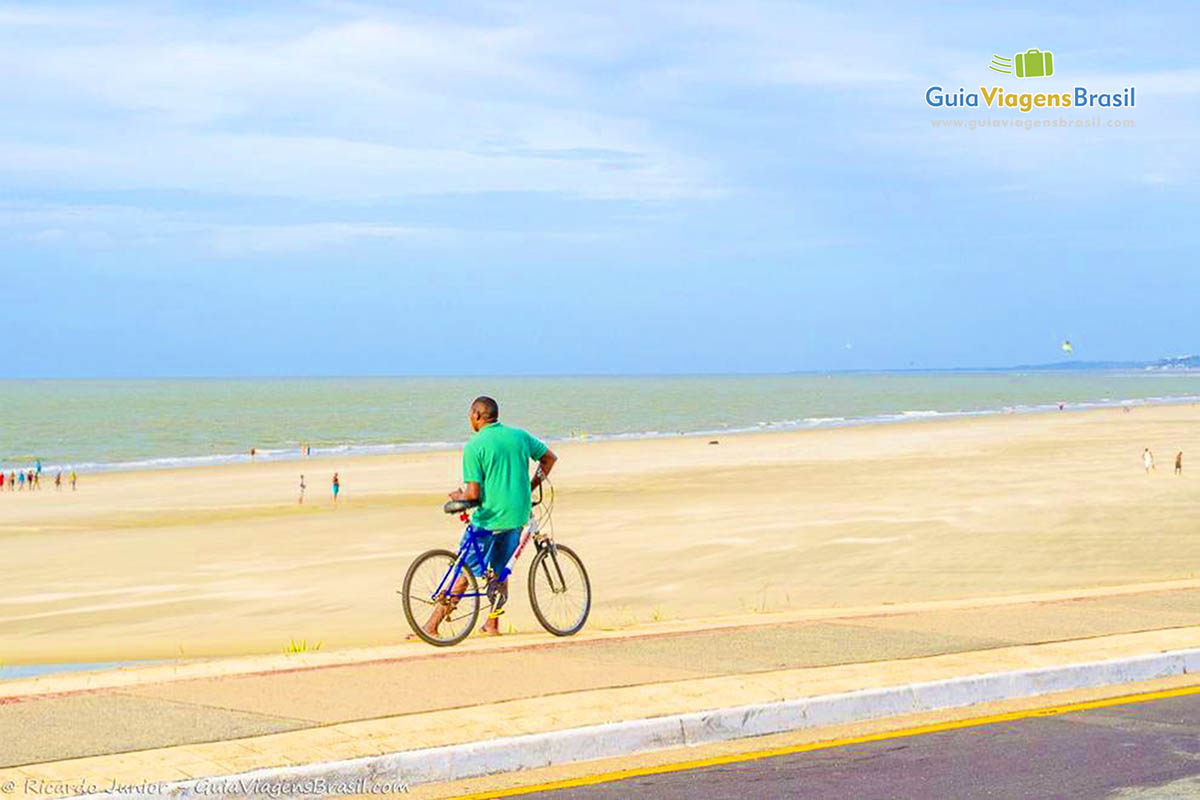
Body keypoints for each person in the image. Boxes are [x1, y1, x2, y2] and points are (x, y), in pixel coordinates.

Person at [421, 396, 557, 639]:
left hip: (490, 520)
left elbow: (473, 494)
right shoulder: (520, 436)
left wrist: (458, 496)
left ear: (475, 415)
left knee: (465, 573)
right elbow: (549, 459)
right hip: (517, 516)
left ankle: (431, 627)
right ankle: (492, 625)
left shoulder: (475, 446)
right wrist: (530, 486)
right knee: (501, 572)